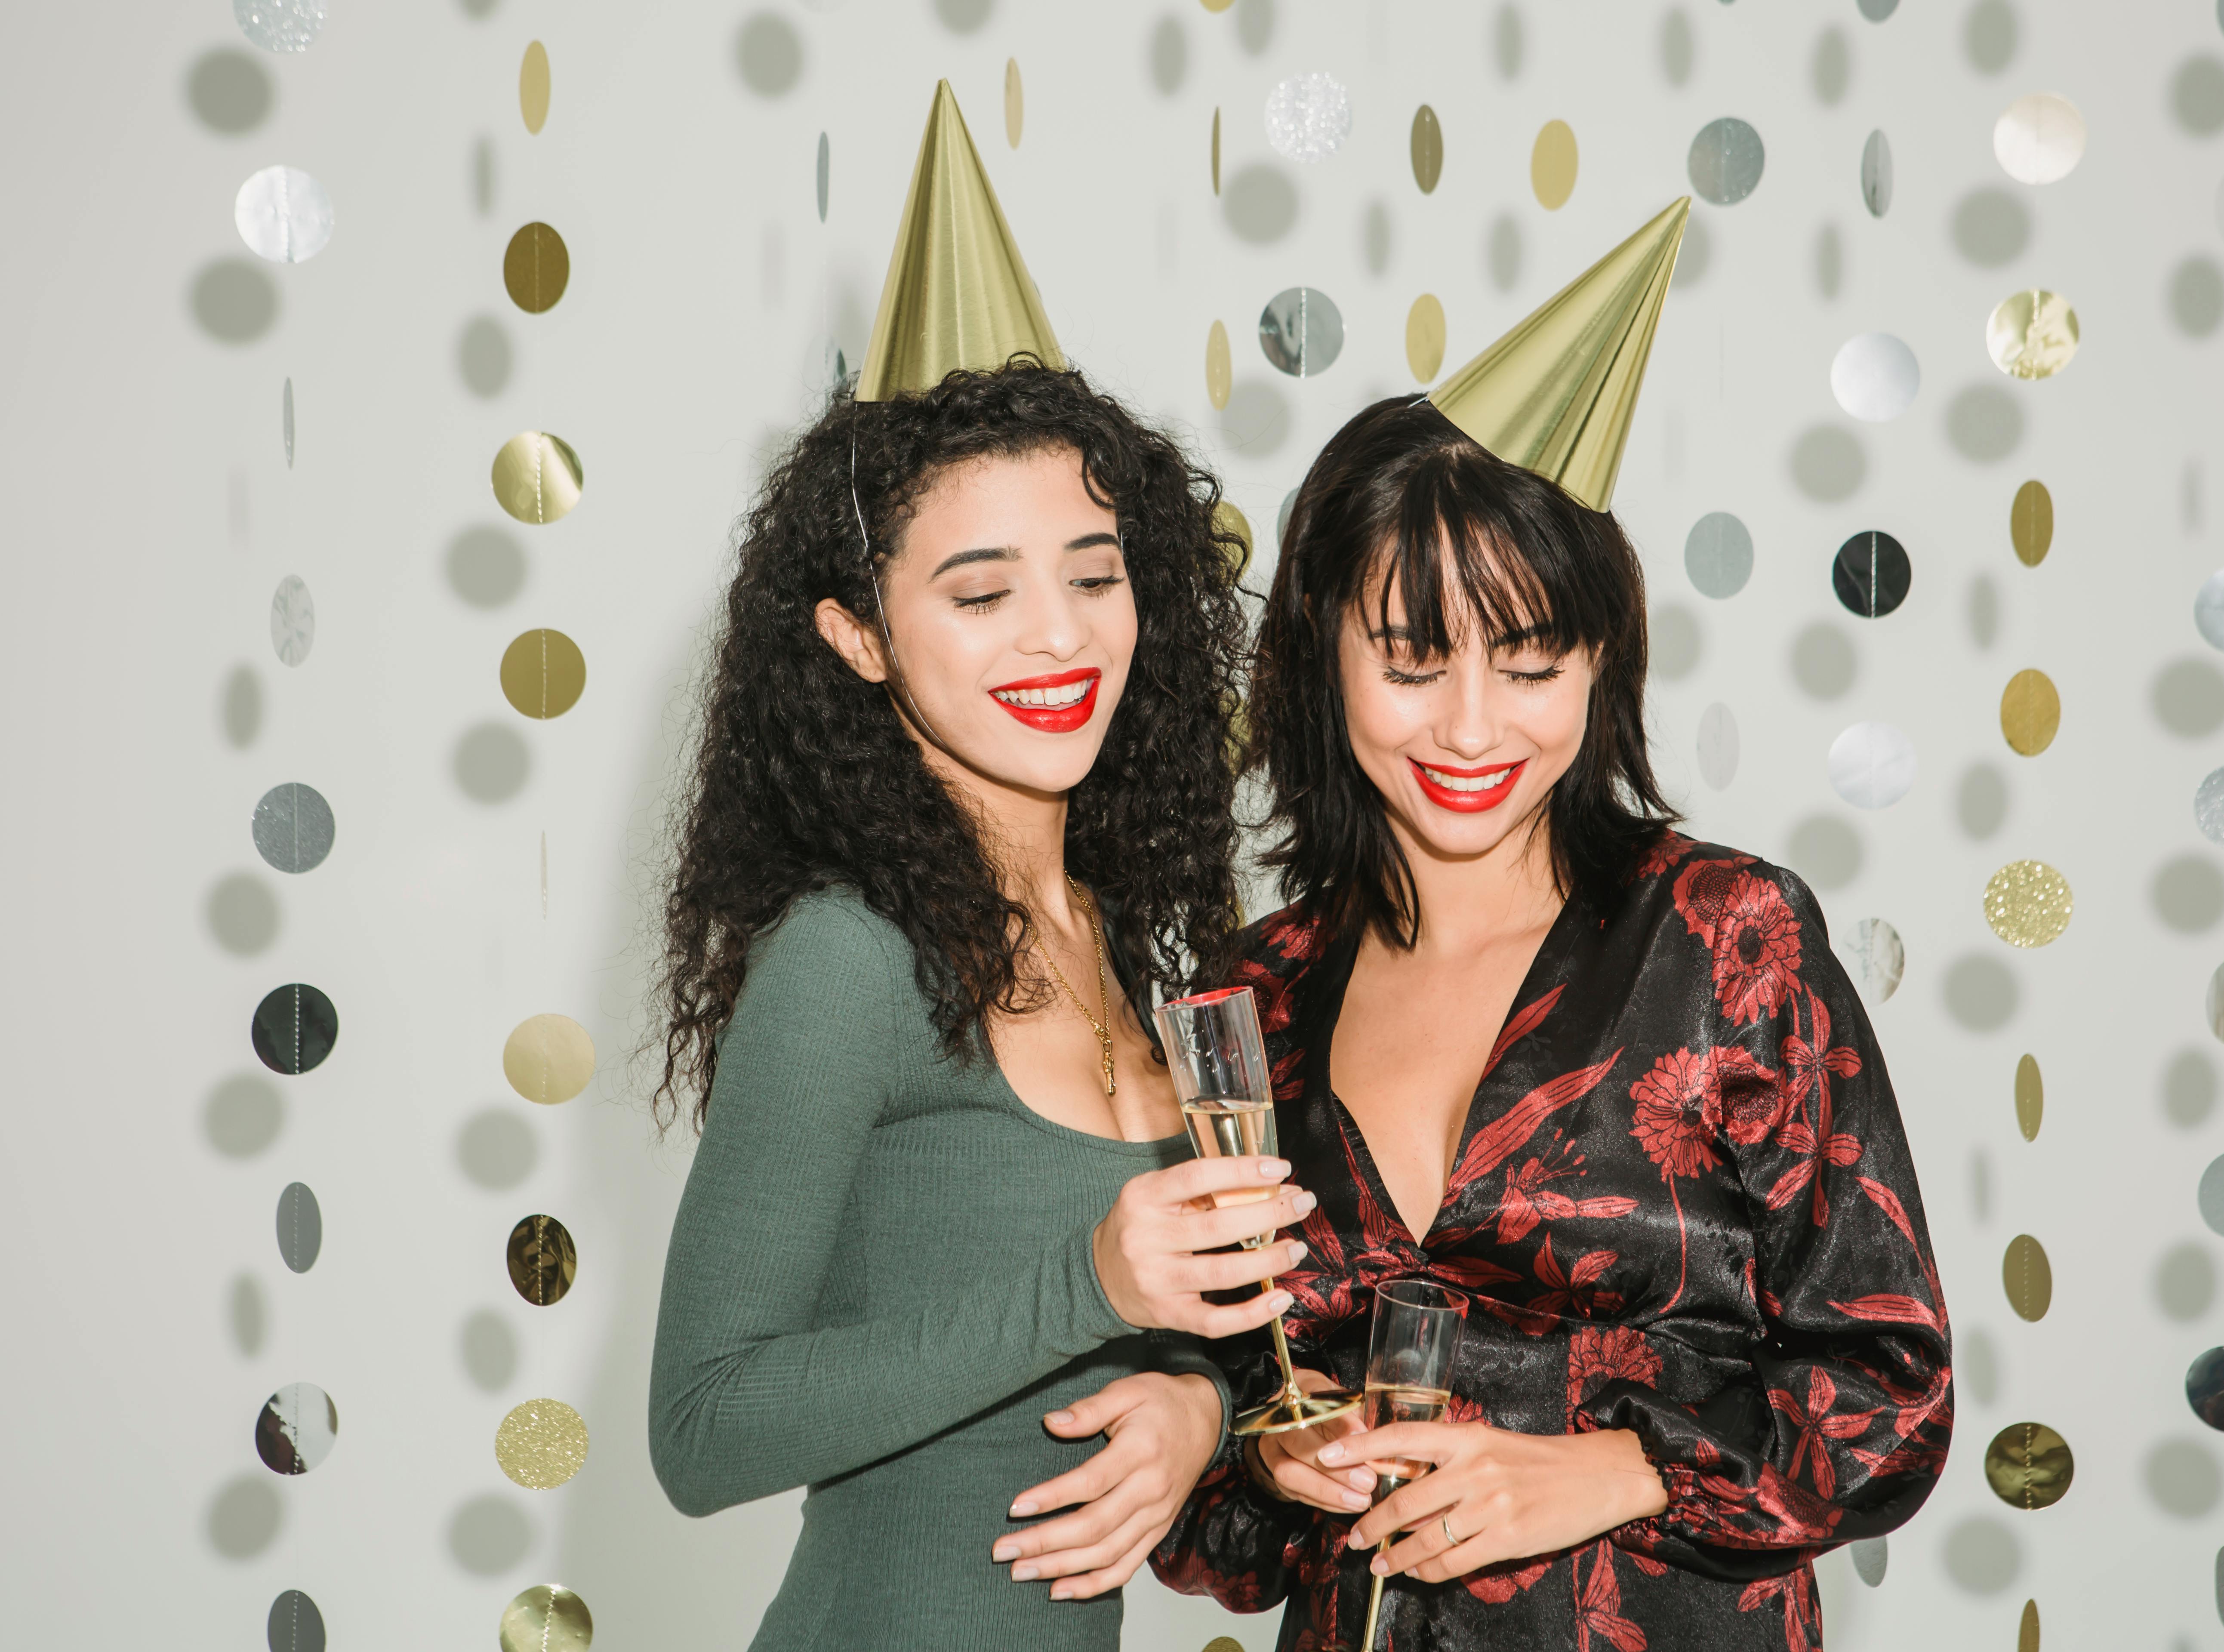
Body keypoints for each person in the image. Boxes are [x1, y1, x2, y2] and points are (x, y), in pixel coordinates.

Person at [1152, 203, 1953, 1649]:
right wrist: (1276, 1453)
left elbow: (1891, 1386)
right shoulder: (1251, 999)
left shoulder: (1727, 937)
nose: (1472, 725)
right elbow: (1204, 1454)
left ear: (1602, 662)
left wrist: (1608, 1471)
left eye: (1531, 661)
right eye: (1411, 660)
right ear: (1323, 652)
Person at [647, 84, 1312, 1650]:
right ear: (859, 638)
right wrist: (1092, 1278)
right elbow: (703, 1427)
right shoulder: (847, 959)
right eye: (981, 592)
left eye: (1094, 574)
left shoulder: (1131, 944)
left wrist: (1199, 1415)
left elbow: (1161, 1335)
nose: (1061, 636)